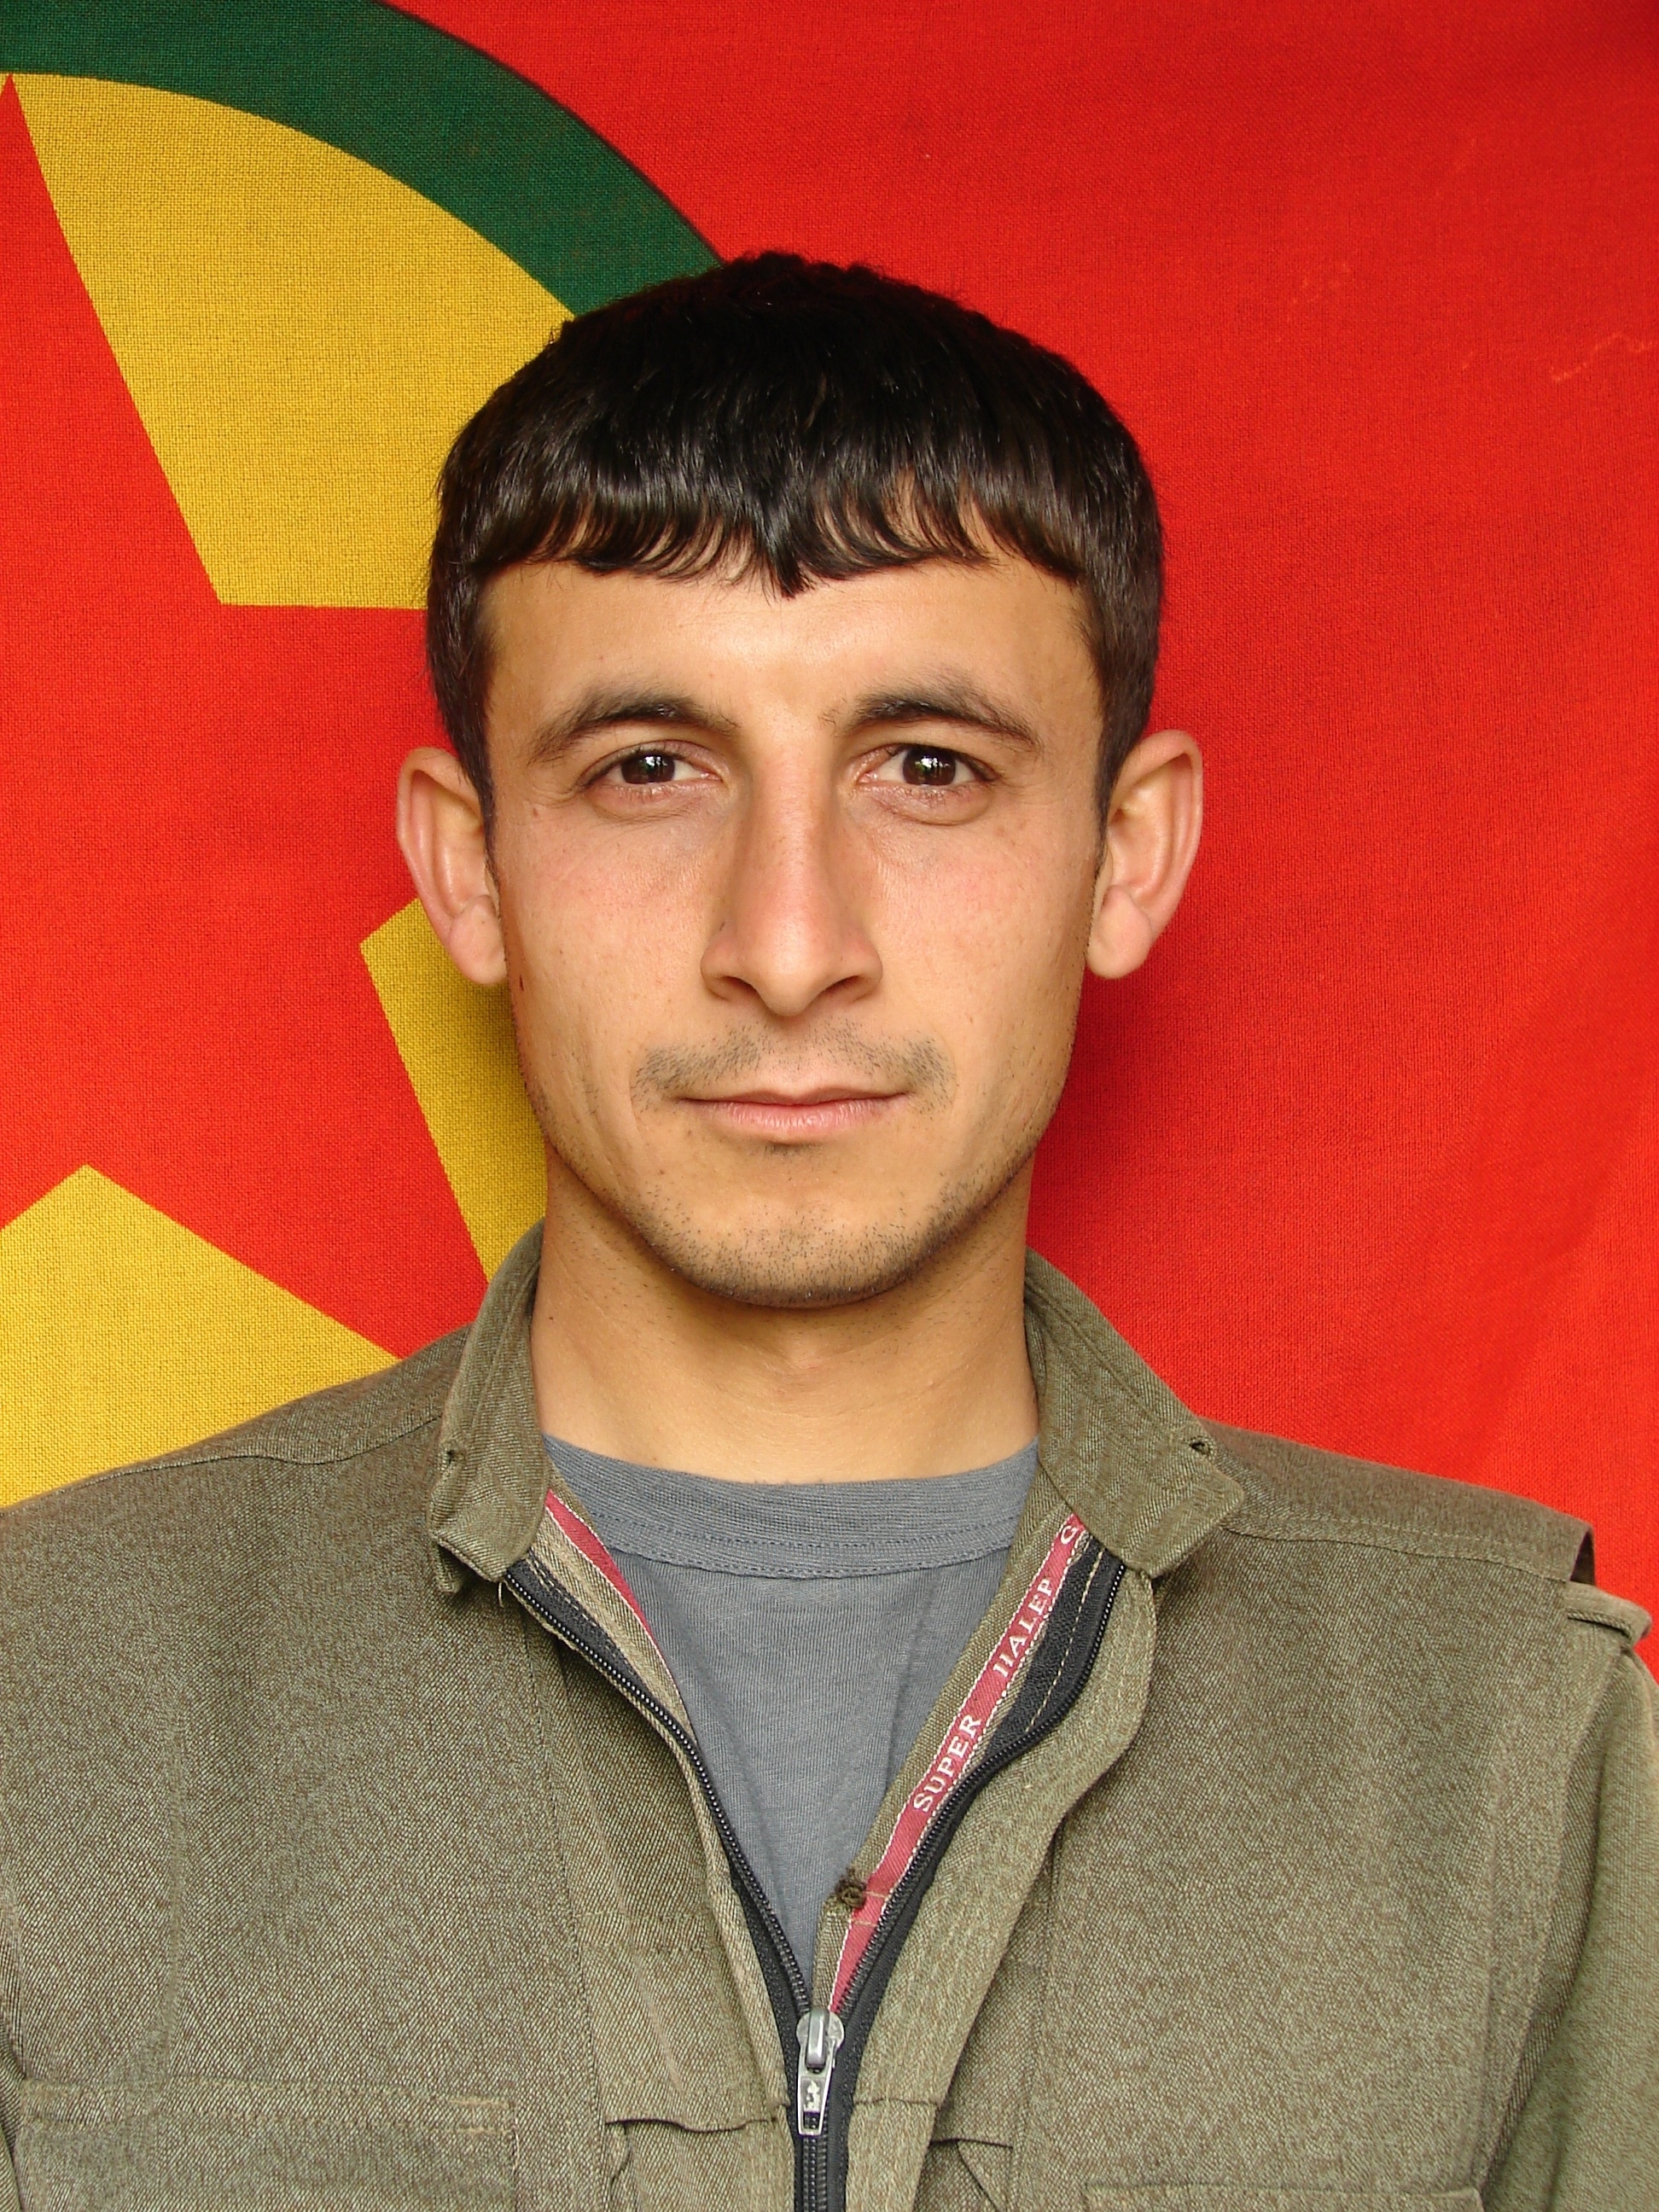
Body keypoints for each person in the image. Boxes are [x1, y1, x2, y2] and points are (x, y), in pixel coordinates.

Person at [1, 255, 1652, 2212]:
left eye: (928, 769)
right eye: (648, 769)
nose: (788, 944)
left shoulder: (1509, 1741)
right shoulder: (44, 1703)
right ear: (471, 866)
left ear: (1126, 855)